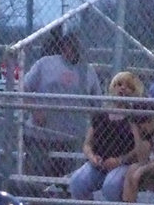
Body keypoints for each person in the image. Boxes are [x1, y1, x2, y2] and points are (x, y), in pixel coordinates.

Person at [20, 29, 103, 180]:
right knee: (37, 177)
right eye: (69, 46)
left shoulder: (87, 71)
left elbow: (97, 104)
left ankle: (65, 201)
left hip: (72, 137)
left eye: (76, 47)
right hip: (41, 134)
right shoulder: (45, 63)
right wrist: (35, 110)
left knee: (67, 179)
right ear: (63, 47)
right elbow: (24, 88)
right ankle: (36, 202)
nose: (72, 51)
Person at [67, 71, 151, 205]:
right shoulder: (101, 114)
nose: (122, 89)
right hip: (99, 163)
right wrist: (92, 157)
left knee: (110, 186)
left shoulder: (136, 117)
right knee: (77, 182)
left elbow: (140, 150)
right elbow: (87, 144)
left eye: (128, 87)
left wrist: (120, 160)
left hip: (124, 164)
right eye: (119, 84)